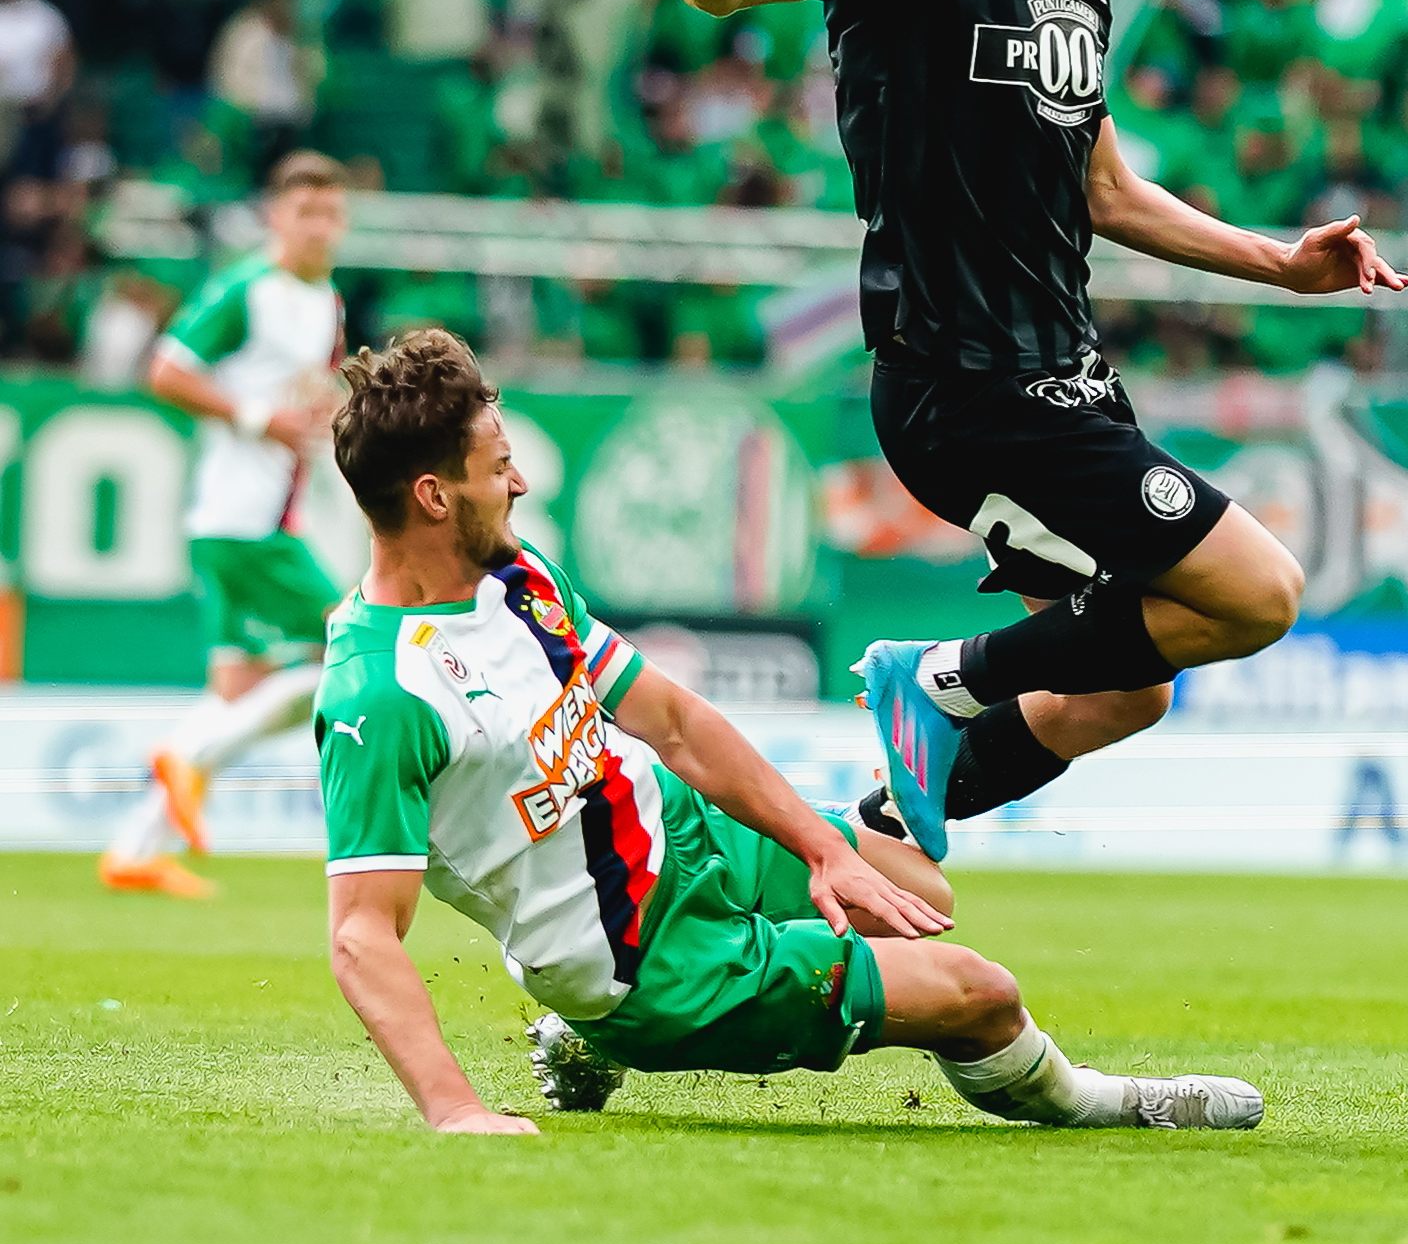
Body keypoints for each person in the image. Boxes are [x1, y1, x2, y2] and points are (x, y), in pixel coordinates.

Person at [672, 0, 1408, 860]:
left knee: (1116, 691)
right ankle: (937, 681)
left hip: (1062, 385)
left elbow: (1105, 192)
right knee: (1258, 594)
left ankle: (840, 849)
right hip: (968, 389)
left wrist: (1280, 264)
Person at [317, 328, 1262, 1135]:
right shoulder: (380, 696)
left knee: (911, 882)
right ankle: (1111, 1101)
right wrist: (455, 1110)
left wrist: (823, 852)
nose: (520, 481)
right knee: (981, 994)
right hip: (646, 959)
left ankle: (601, 1027)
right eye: (496, 468)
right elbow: (362, 935)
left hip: (681, 832)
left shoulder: (517, 578)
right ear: (435, 496)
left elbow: (677, 724)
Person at [99, 150, 349, 897]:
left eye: (332, 213)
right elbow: (166, 368)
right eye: (305, 211)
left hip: (256, 513)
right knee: (349, 638)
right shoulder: (246, 288)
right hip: (248, 520)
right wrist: (255, 417)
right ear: (275, 216)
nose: (320, 227)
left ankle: (134, 849)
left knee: (238, 683)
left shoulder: (326, 300)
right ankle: (183, 750)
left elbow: (307, 392)